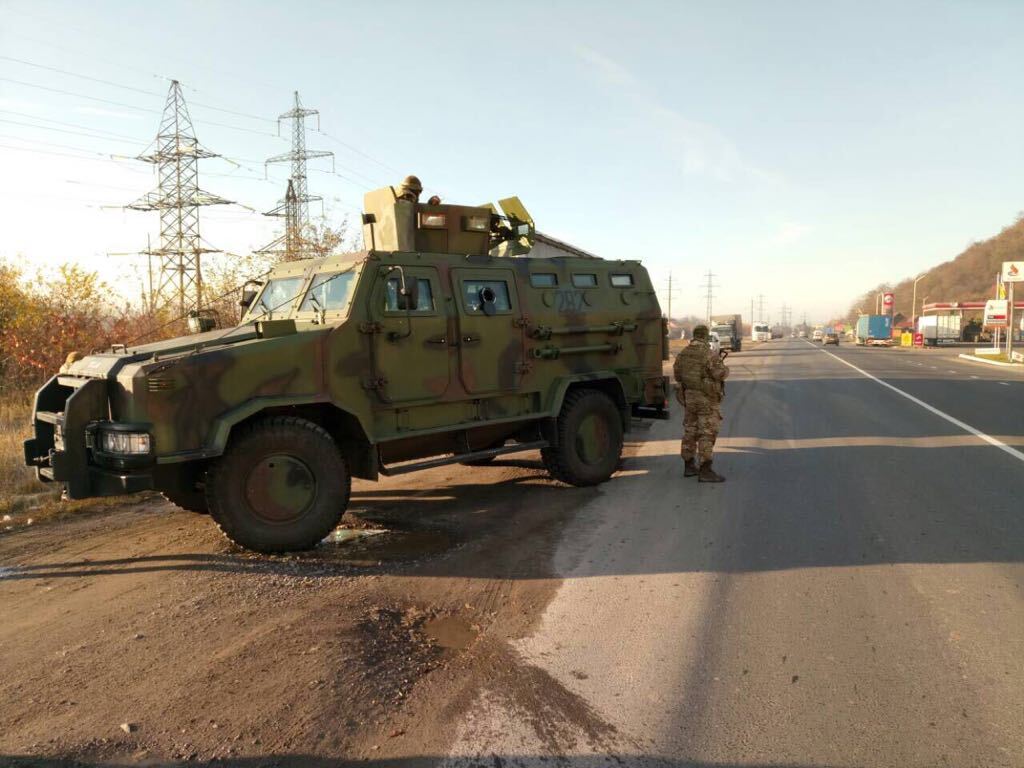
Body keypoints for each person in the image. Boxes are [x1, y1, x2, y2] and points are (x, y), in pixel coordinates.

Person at [673, 324, 729, 482]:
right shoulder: (708, 354)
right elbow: (720, 374)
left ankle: (689, 466)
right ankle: (705, 470)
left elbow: (677, 375)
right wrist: (725, 368)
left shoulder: (683, 353)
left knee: (690, 430)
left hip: (689, 397)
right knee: (707, 432)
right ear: (705, 336)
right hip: (706, 397)